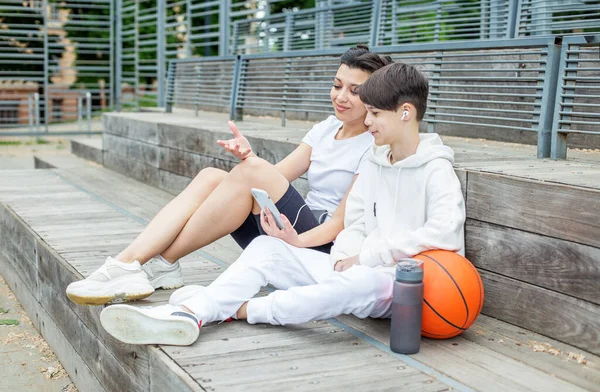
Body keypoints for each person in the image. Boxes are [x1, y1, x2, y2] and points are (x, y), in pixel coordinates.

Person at [98, 62, 467, 346]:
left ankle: (238, 309)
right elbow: (354, 222)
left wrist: (367, 258)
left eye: (374, 112)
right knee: (265, 248)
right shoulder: (375, 160)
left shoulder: (435, 169)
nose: (367, 119)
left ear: (404, 113)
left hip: (399, 281)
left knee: (344, 290)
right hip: (349, 264)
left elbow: (444, 233)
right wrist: (343, 256)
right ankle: (188, 314)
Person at [66, 45, 393, 306]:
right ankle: (136, 263)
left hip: (319, 246)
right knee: (211, 176)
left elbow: (340, 223)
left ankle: (149, 264)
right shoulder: (326, 129)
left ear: (375, 97)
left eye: (354, 90)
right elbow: (277, 177)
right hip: (290, 230)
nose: (340, 97)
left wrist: (294, 238)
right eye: (337, 85)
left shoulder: (374, 144)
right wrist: (250, 161)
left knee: (247, 173)